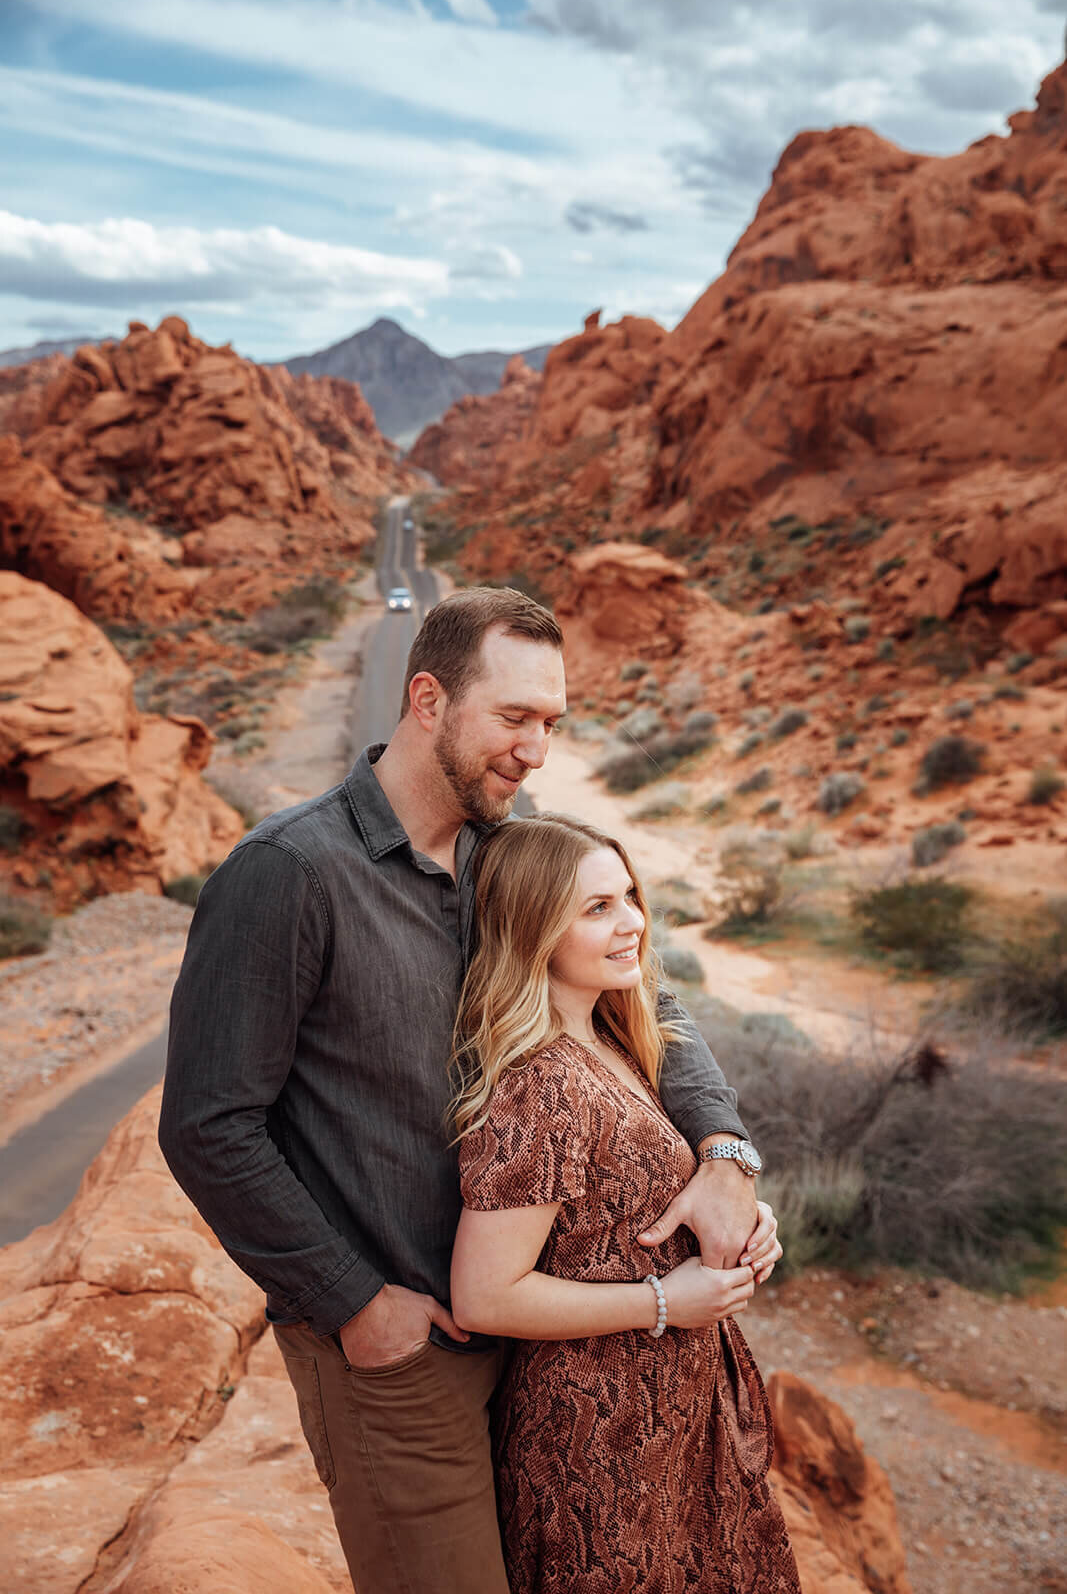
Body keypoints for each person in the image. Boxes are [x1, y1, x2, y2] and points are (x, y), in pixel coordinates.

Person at [158, 586, 780, 1594]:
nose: (535, 750)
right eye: (513, 718)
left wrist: (724, 1151)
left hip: (543, 1343)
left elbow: (649, 1000)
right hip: (405, 1355)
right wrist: (354, 1301)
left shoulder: (510, 845)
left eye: (551, 724)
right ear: (427, 700)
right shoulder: (290, 873)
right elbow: (207, 1126)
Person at [451, 812, 798, 1594]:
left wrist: (742, 1230)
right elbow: (483, 1294)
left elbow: (635, 1209)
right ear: (532, 927)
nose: (632, 922)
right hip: (593, 1442)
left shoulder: (613, 1042)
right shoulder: (536, 1086)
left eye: (629, 895)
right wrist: (664, 1300)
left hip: (668, 1418)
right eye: (595, 908)